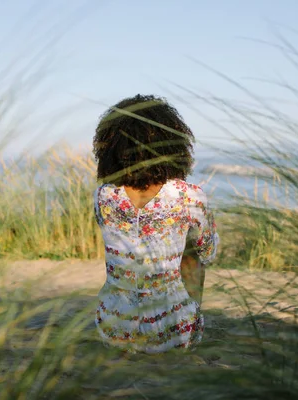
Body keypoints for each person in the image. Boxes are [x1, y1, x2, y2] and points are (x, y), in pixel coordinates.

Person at [92, 94, 219, 353]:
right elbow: (209, 252)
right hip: (172, 333)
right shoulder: (189, 195)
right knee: (192, 248)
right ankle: (188, 315)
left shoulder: (104, 195)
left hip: (113, 327)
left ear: (111, 146)